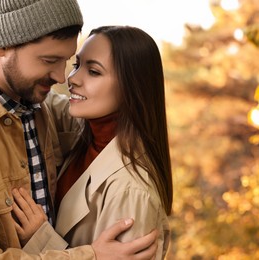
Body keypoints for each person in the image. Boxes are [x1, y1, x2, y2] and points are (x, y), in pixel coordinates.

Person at [0, 0, 157, 259]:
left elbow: (115, 119)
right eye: (50, 60)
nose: (62, 77)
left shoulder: (36, 106)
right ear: (4, 45)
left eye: (67, 61)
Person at [9, 25, 173, 259]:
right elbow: (38, 97)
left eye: (94, 71)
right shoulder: (86, 135)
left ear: (131, 87)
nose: (72, 78)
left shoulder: (131, 191)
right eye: (77, 65)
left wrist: (40, 239)